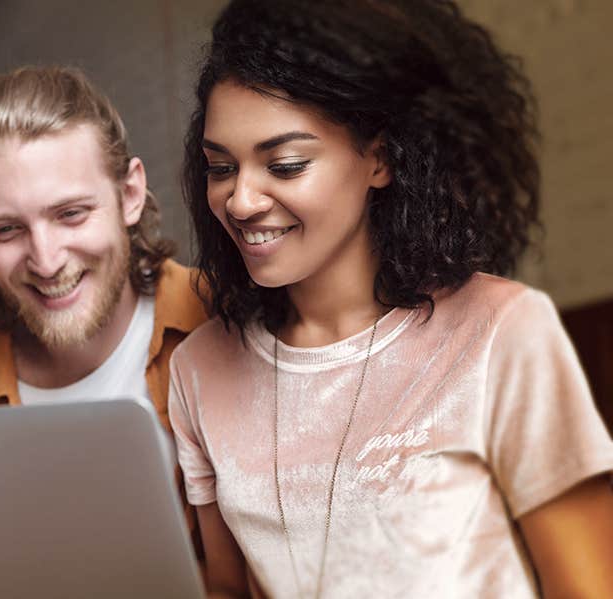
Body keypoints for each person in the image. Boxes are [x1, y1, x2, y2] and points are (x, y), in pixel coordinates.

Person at [168, 1, 613, 597]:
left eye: (286, 164)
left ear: (379, 158)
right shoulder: (198, 369)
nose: (241, 200)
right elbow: (227, 589)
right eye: (220, 167)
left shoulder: (504, 332)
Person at [0, 65, 206, 422]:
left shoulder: (225, 317)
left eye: (71, 214)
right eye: (6, 230)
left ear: (130, 196)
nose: (46, 263)